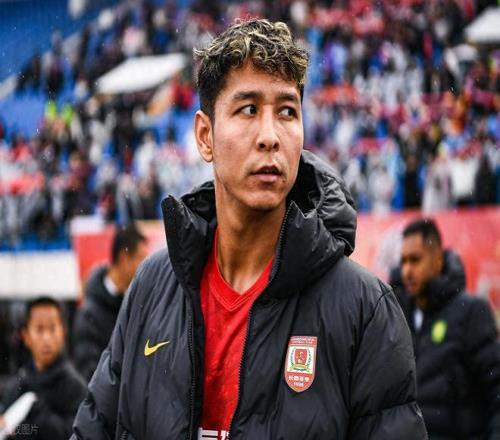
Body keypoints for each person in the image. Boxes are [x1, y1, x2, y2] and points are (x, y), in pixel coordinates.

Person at [72, 19, 426, 439]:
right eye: (248, 110)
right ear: (205, 136)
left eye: (287, 112)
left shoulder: (364, 309)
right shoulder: (152, 288)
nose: (270, 136)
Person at [391, 218, 500, 438]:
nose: (407, 271)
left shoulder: (471, 312)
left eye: (415, 260)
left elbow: (496, 389)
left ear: (438, 260)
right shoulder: (395, 315)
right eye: (403, 261)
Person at [0, 297, 86, 439]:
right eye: (39, 329)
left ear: (63, 332)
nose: (46, 338)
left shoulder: (75, 387)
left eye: (52, 328)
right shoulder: (18, 384)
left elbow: (74, 432)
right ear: (26, 336)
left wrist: (38, 413)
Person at [72, 224, 148, 382]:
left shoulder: (137, 306)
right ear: (124, 258)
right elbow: (89, 374)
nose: (145, 268)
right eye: (141, 259)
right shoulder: (89, 315)